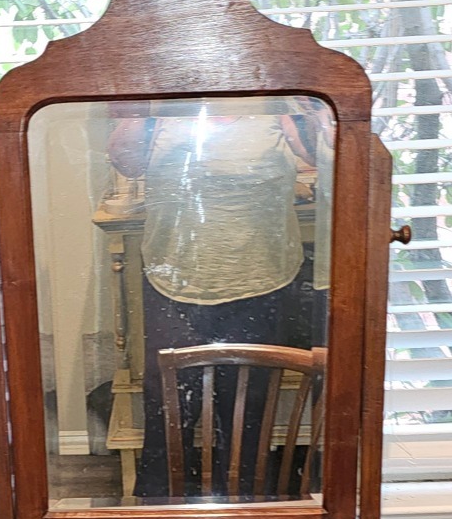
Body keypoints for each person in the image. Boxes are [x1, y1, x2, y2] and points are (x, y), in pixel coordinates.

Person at [106, 98, 330, 498]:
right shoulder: (165, 111)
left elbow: (320, 154)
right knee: (168, 414)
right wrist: (145, 104)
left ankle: (248, 514)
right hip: (173, 282)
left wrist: (306, 103)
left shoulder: (273, 102)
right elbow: (127, 162)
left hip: (261, 282)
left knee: (248, 413)